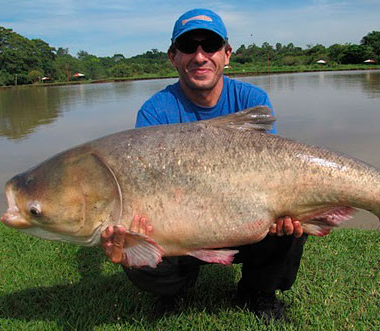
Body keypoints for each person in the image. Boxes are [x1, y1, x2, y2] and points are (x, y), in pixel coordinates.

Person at [101, 8, 307, 321]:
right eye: (188, 47)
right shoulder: (155, 112)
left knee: (290, 228)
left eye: (209, 46)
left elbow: (271, 173)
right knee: (135, 244)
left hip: (245, 219)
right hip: (181, 230)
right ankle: (174, 289)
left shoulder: (251, 98)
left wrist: (285, 208)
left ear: (227, 55)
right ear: (173, 56)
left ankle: (258, 291)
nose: (200, 56)